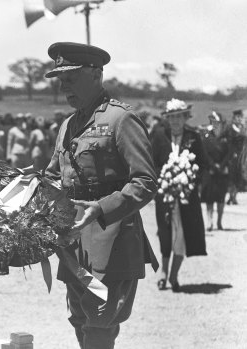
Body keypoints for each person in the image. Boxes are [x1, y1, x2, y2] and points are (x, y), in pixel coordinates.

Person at [40, 42, 158, 349]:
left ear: (95, 75)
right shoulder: (68, 124)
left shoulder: (121, 120)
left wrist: (102, 208)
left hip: (112, 238)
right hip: (75, 243)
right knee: (80, 319)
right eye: (61, 81)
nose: (64, 87)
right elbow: (54, 175)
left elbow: (145, 181)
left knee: (100, 324)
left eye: (71, 78)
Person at [150, 99, 207, 292]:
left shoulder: (194, 137)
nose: (175, 121)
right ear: (166, 119)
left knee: (183, 234)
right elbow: (151, 163)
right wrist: (164, 178)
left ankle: (174, 275)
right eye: (171, 117)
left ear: (185, 118)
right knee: (165, 233)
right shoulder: (158, 136)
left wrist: (190, 179)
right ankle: (163, 272)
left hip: (187, 196)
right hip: (164, 194)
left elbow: (202, 164)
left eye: (178, 117)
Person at [200, 111, 230, 231]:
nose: (216, 124)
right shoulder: (207, 136)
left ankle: (219, 221)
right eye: (213, 122)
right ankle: (209, 221)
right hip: (210, 171)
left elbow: (229, 153)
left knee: (221, 198)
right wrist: (213, 165)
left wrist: (221, 166)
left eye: (218, 122)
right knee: (209, 198)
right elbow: (205, 153)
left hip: (222, 171)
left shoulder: (225, 138)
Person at [225, 109, 245, 205]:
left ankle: (234, 196)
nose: (238, 119)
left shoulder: (242, 128)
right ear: (233, 118)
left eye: (239, 117)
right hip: (231, 154)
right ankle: (230, 196)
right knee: (231, 176)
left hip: (240, 155)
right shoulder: (229, 128)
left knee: (238, 176)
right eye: (237, 117)